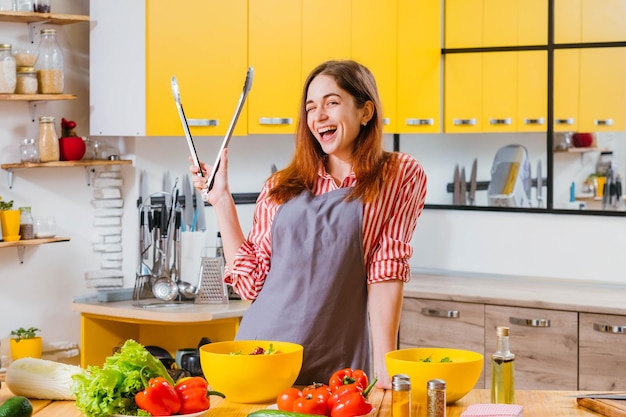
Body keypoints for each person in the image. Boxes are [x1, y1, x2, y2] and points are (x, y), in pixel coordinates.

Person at [190, 60, 427, 389]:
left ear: (366, 111)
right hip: (264, 357)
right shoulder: (280, 186)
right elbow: (251, 284)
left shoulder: (397, 174)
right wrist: (221, 201)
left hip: (337, 366)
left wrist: (385, 364)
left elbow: (386, 269)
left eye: (332, 102)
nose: (318, 116)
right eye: (311, 107)